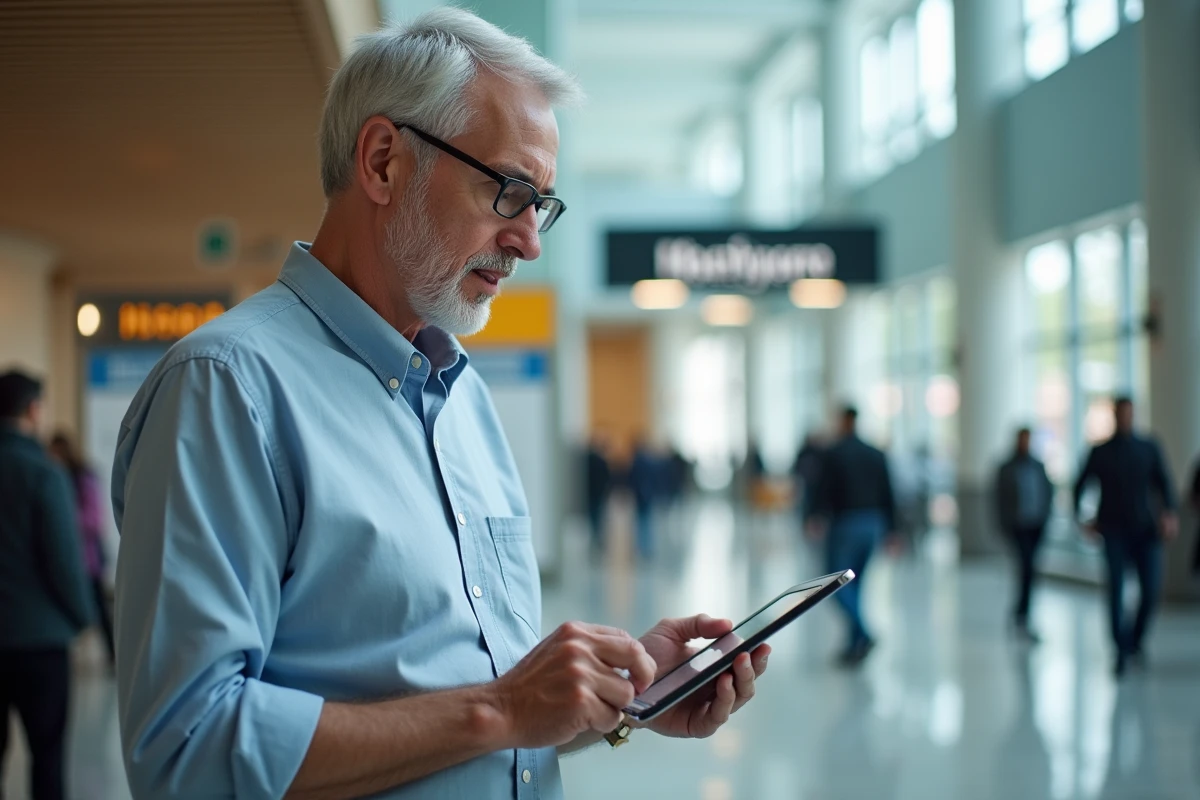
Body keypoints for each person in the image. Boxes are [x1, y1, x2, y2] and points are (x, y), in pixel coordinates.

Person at [110, 10, 769, 799]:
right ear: (385, 162)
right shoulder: (227, 389)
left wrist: (616, 695)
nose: (529, 241)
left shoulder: (462, 400)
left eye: (543, 206)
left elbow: (483, 704)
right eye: (511, 192)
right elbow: (186, 751)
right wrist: (501, 708)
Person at [0, 370, 95, 800]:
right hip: (40, 642)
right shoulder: (43, 472)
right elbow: (63, 559)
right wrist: (83, 617)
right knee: (47, 758)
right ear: (34, 410)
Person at [1073, 397, 1177, 677]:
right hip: (1114, 530)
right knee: (1116, 591)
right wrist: (1082, 519)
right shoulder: (1101, 451)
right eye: (1122, 414)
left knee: (1151, 589)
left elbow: (1165, 482)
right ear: (1115, 416)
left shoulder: (1148, 447)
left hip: (1146, 530)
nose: (1126, 418)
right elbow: (1079, 485)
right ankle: (1119, 649)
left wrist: (1169, 513)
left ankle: (1135, 641)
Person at [808, 406, 896, 666]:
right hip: (873, 524)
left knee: (835, 583)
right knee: (855, 585)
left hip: (846, 523)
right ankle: (854, 644)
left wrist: (814, 516)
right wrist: (893, 529)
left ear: (842, 421)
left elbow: (822, 489)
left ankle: (864, 633)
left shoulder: (834, 453)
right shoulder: (875, 453)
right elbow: (888, 492)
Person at [49, 431, 116, 665]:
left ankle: (113, 655)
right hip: (68, 558)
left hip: (88, 558)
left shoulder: (83, 478)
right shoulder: (53, 477)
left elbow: (95, 519)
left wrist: (63, 518)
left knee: (99, 609)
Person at [995, 427, 1054, 643]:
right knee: (1026, 569)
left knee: (1029, 571)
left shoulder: (1038, 466)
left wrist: (1047, 518)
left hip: (1035, 526)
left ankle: (1021, 613)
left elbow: (1048, 492)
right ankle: (1022, 615)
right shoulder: (1006, 468)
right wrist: (1002, 526)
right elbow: (998, 500)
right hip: (1016, 527)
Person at [583, 431, 613, 555]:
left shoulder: (587, 459)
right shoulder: (599, 460)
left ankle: (595, 543)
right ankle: (597, 543)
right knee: (597, 520)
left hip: (592, 494)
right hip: (597, 495)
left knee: (594, 520)